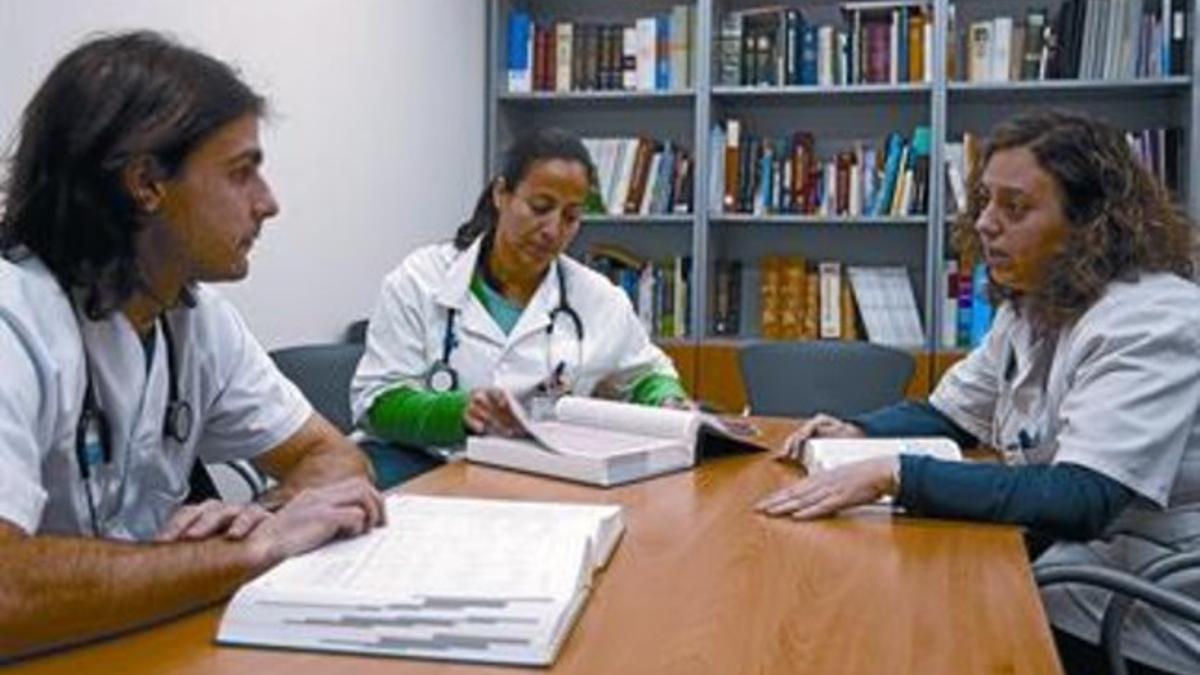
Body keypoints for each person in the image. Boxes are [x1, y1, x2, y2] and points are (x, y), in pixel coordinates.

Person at [755, 110, 1200, 675]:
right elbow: (952, 414)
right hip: (1084, 565)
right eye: (985, 201)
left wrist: (897, 473)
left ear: (1093, 223)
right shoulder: (1034, 302)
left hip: (1148, 604)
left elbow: (1082, 498)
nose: (986, 224)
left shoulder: (1153, 319)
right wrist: (862, 430)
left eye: (1014, 208)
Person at [0, 32, 384, 660]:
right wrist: (251, 550)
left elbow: (333, 456)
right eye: (241, 173)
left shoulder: (195, 317)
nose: (269, 203)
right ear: (147, 183)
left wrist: (262, 515)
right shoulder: (14, 323)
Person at [351, 127, 690, 449]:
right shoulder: (419, 280)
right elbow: (378, 402)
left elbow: (647, 374)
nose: (552, 230)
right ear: (502, 195)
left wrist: (667, 400)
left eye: (571, 217)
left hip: (543, 473)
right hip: (430, 466)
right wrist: (459, 411)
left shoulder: (598, 298)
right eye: (540, 208)